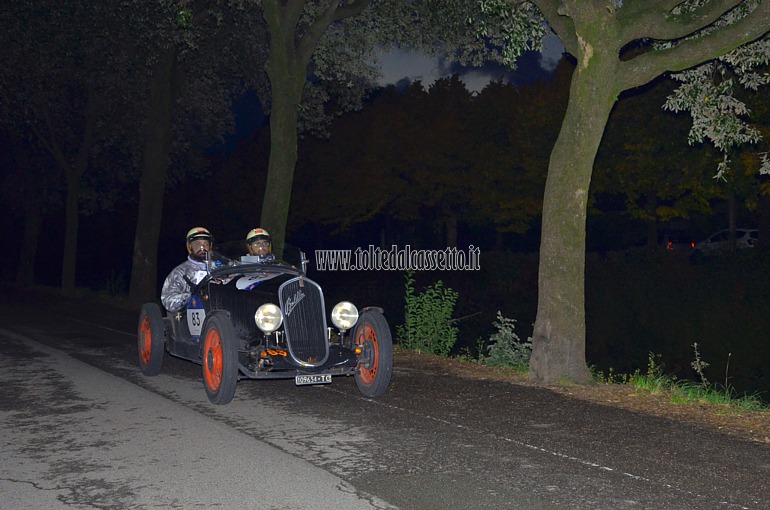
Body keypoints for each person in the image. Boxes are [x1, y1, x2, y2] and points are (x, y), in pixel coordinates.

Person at [160, 227, 214, 313]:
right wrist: (191, 296)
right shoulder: (180, 272)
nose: (202, 248)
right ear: (190, 247)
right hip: (194, 315)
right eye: (197, 244)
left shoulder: (220, 266)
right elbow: (167, 300)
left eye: (206, 244)